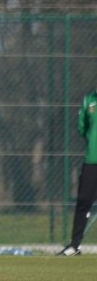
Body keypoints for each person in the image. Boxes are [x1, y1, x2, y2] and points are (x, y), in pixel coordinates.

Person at [58, 89, 97, 256]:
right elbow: (82, 128)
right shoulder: (89, 99)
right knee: (84, 200)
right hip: (92, 159)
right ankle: (74, 246)